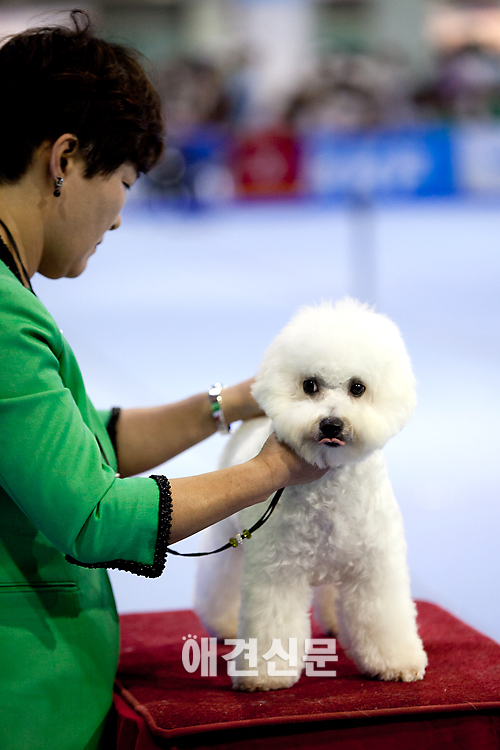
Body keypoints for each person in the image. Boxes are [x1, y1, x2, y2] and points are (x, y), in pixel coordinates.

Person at [0, 11, 326, 750]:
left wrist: (231, 403)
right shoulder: (2, 317)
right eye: (122, 181)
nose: (118, 217)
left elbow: (83, 443)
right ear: (63, 159)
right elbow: (93, 516)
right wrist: (277, 468)